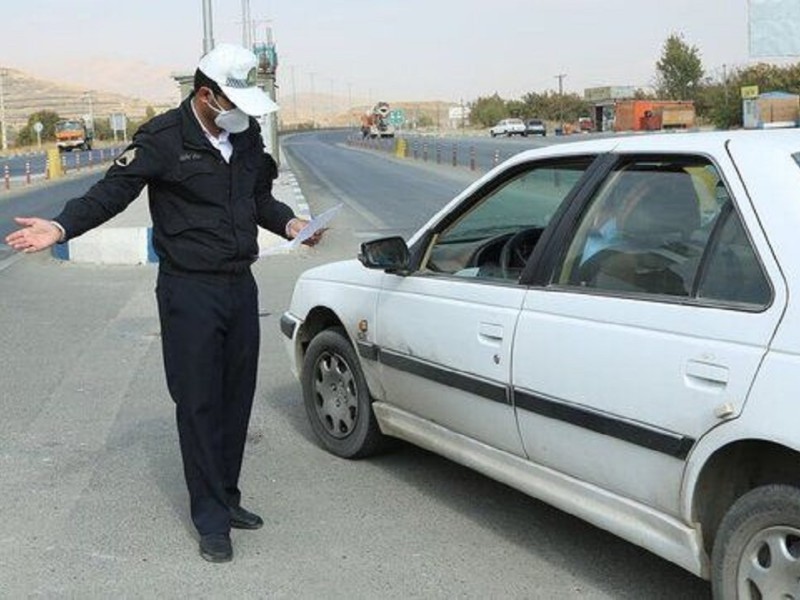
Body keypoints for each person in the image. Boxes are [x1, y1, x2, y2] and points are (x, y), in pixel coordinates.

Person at [4, 43, 322, 563]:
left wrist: (289, 223)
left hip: (240, 286)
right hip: (189, 289)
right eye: (232, 101)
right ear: (205, 95)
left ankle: (228, 496)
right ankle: (211, 519)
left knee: (235, 397)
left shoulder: (245, 141)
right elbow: (111, 193)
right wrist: (61, 225)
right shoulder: (163, 140)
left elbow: (259, 198)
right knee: (198, 403)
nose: (241, 112)